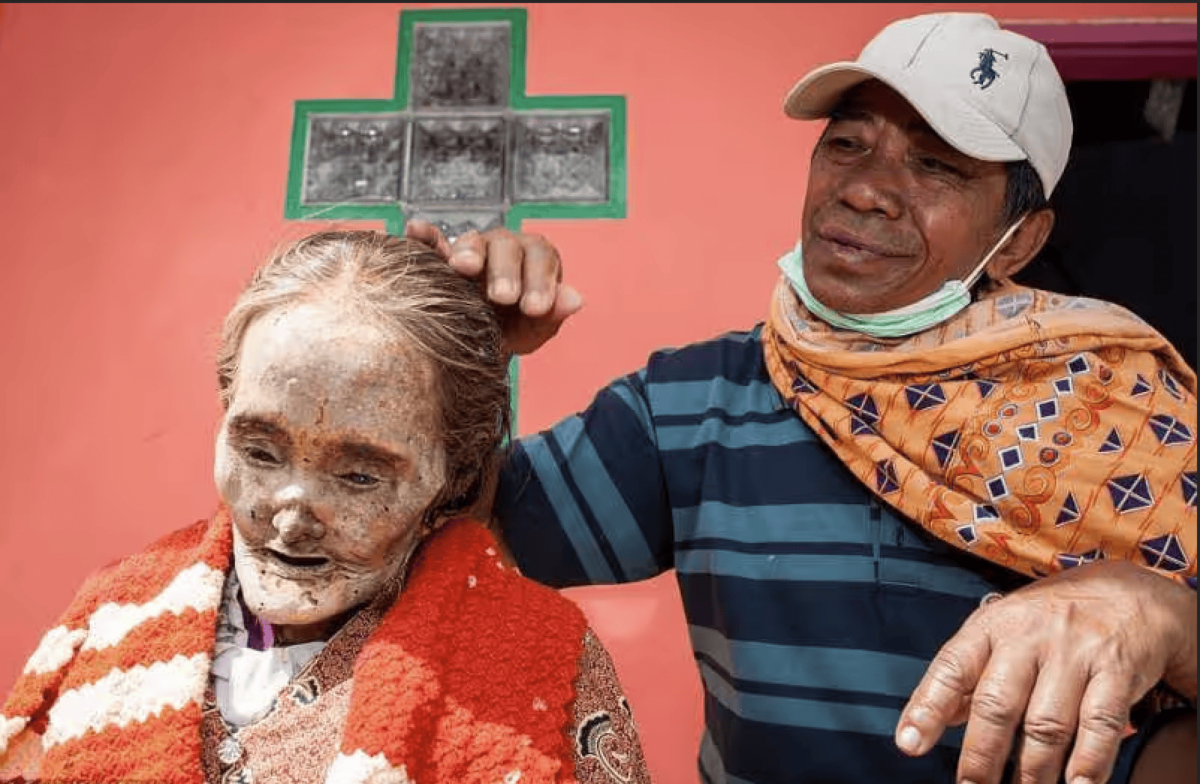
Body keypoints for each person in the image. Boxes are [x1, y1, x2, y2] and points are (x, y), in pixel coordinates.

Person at [408, 11, 1198, 784]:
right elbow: (445, 543)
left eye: (936, 166)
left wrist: (1165, 616)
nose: (867, 190)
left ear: (1019, 238)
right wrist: (461, 361)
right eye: (848, 144)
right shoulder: (695, 402)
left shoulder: (1120, 415)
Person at [0, 231, 650, 784]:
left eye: (360, 475)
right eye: (259, 451)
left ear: (451, 479)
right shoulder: (111, 617)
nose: (290, 518)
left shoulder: (542, 663)